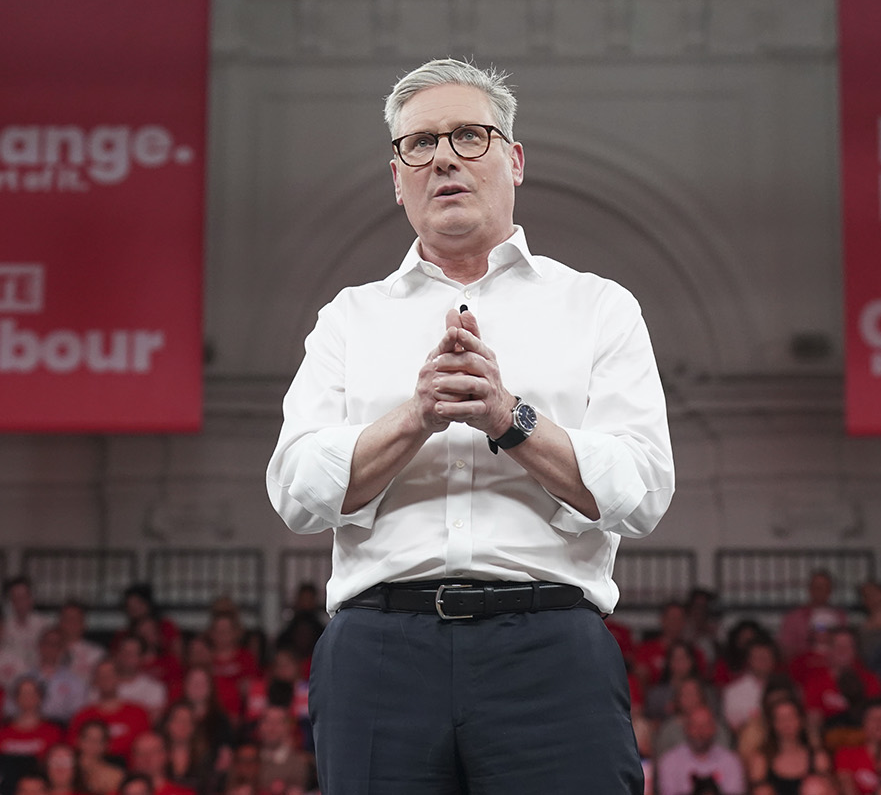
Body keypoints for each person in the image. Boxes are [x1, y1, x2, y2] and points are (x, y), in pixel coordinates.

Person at [264, 57, 675, 793]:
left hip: (549, 646)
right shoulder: (349, 318)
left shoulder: (598, 307)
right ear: (398, 177)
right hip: (380, 653)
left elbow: (641, 492)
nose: (444, 156)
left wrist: (509, 419)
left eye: (468, 136)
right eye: (419, 143)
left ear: (513, 159)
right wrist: (416, 416)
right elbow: (296, 492)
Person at [656, 706, 745, 795]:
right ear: (686, 728)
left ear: (714, 728)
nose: (700, 731)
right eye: (695, 725)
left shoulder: (731, 761)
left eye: (705, 725)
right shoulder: (669, 761)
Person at [779, 573, 848, 661]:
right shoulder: (793, 617)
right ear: (810, 589)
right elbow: (785, 649)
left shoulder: (840, 616)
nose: (820, 590)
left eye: (825, 587)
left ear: (830, 590)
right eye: (817, 587)